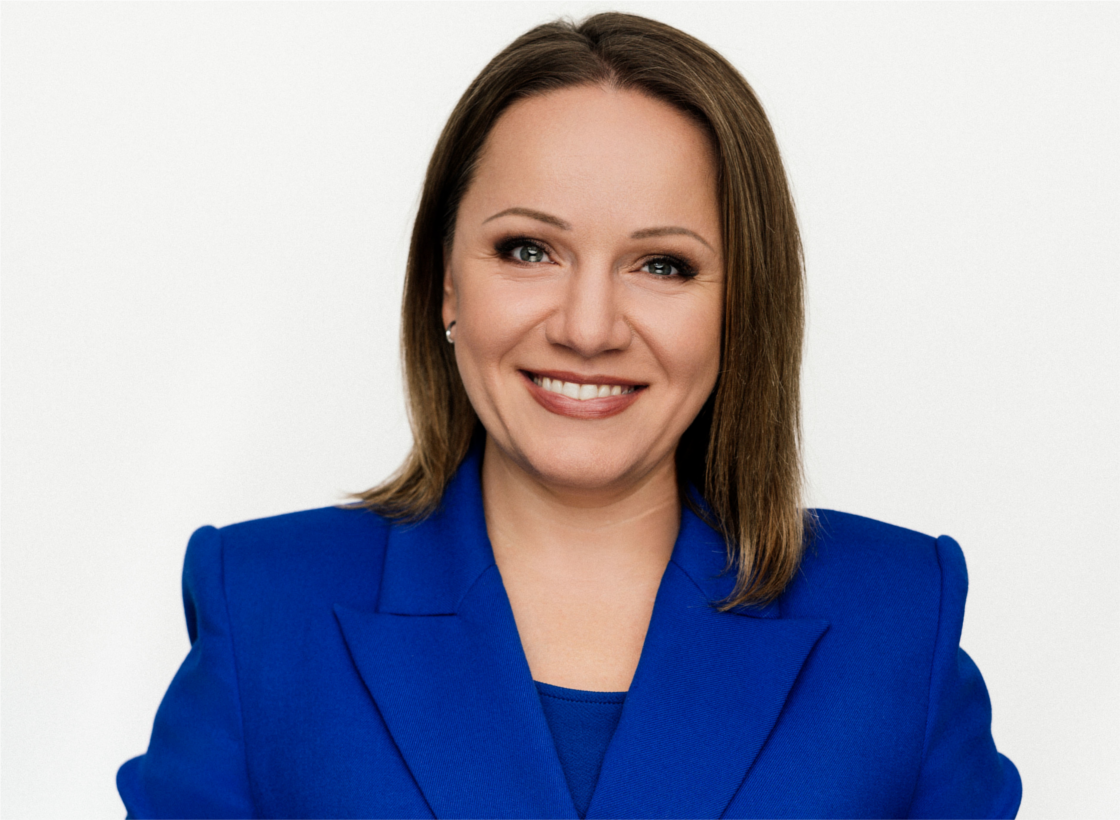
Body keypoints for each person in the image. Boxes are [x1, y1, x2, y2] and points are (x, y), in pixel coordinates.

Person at [117, 12, 1021, 819]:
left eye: (662, 265)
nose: (588, 329)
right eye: (528, 250)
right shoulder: (265, 608)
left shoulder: (898, 621)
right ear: (446, 282)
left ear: (743, 304)